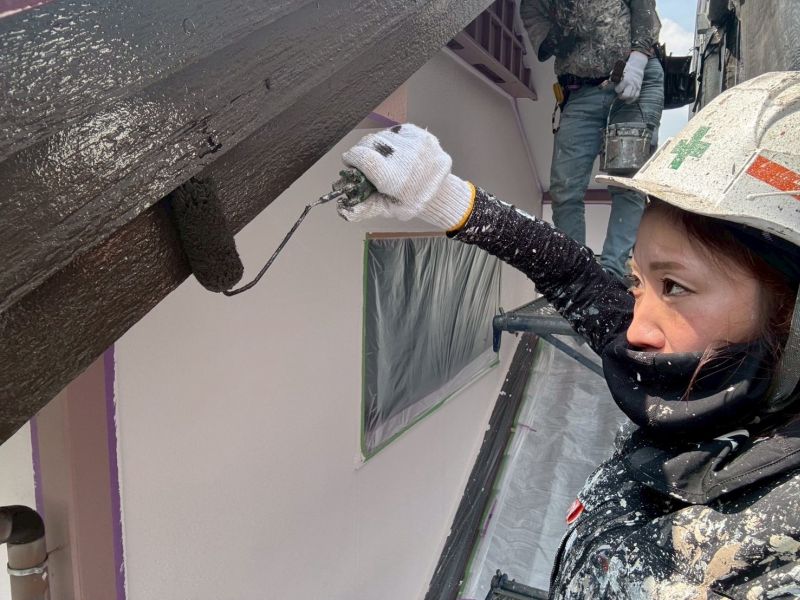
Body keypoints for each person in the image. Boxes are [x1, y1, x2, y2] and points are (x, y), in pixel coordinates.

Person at [337, 72, 800, 598]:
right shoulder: (717, 378)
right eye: (638, 282)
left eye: (674, 286)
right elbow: (575, 277)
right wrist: (443, 198)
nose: (634, 328)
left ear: (792, 316)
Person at [520, 0, 664, 279]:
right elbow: (548, 47)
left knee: (626, 181)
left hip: (638, 76)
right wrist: (569, 11)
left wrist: (638, 59)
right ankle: (577, 273)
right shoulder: (534, 6)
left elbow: (643, 8)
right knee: (564, 186)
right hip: (580, 90)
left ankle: (613, 273)